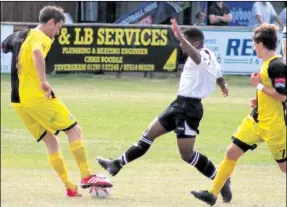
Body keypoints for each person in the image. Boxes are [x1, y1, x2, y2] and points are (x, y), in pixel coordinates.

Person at [97, 18, 232, 202]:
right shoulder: (210, 56)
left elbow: (198, 58)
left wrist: (180, 38)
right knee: (148, 134)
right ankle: (116, 164)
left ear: (196, 43)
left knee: (187, 154)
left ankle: (222, 180)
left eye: (185, 42)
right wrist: (223, 85)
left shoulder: (203, 53)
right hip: (178, 104)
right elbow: (218, 73)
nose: (181, 46)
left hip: (190, 109)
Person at [1, 5, 112, 197]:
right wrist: (43, 81)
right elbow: (37, 53)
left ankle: (70, 186)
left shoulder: (20, 35)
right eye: (59, 27)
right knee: (74, 129)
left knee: (51, 142)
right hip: (37, 97)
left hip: (18, 101)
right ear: (51, 22)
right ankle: (86, 175)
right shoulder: (42, 38)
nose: (58, 32)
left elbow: (4, 45)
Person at [191, 23, 287, 206]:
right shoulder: (267, 64)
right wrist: (259, 99)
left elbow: (282, 96)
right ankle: (212, 194)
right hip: (256, 120)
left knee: (284, 168)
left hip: (275, 127)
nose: (253, 47)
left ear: (260, 43)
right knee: (231, 152)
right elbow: (271, 92)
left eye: (253, 43)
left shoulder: (277, 65)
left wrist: (258, 86)